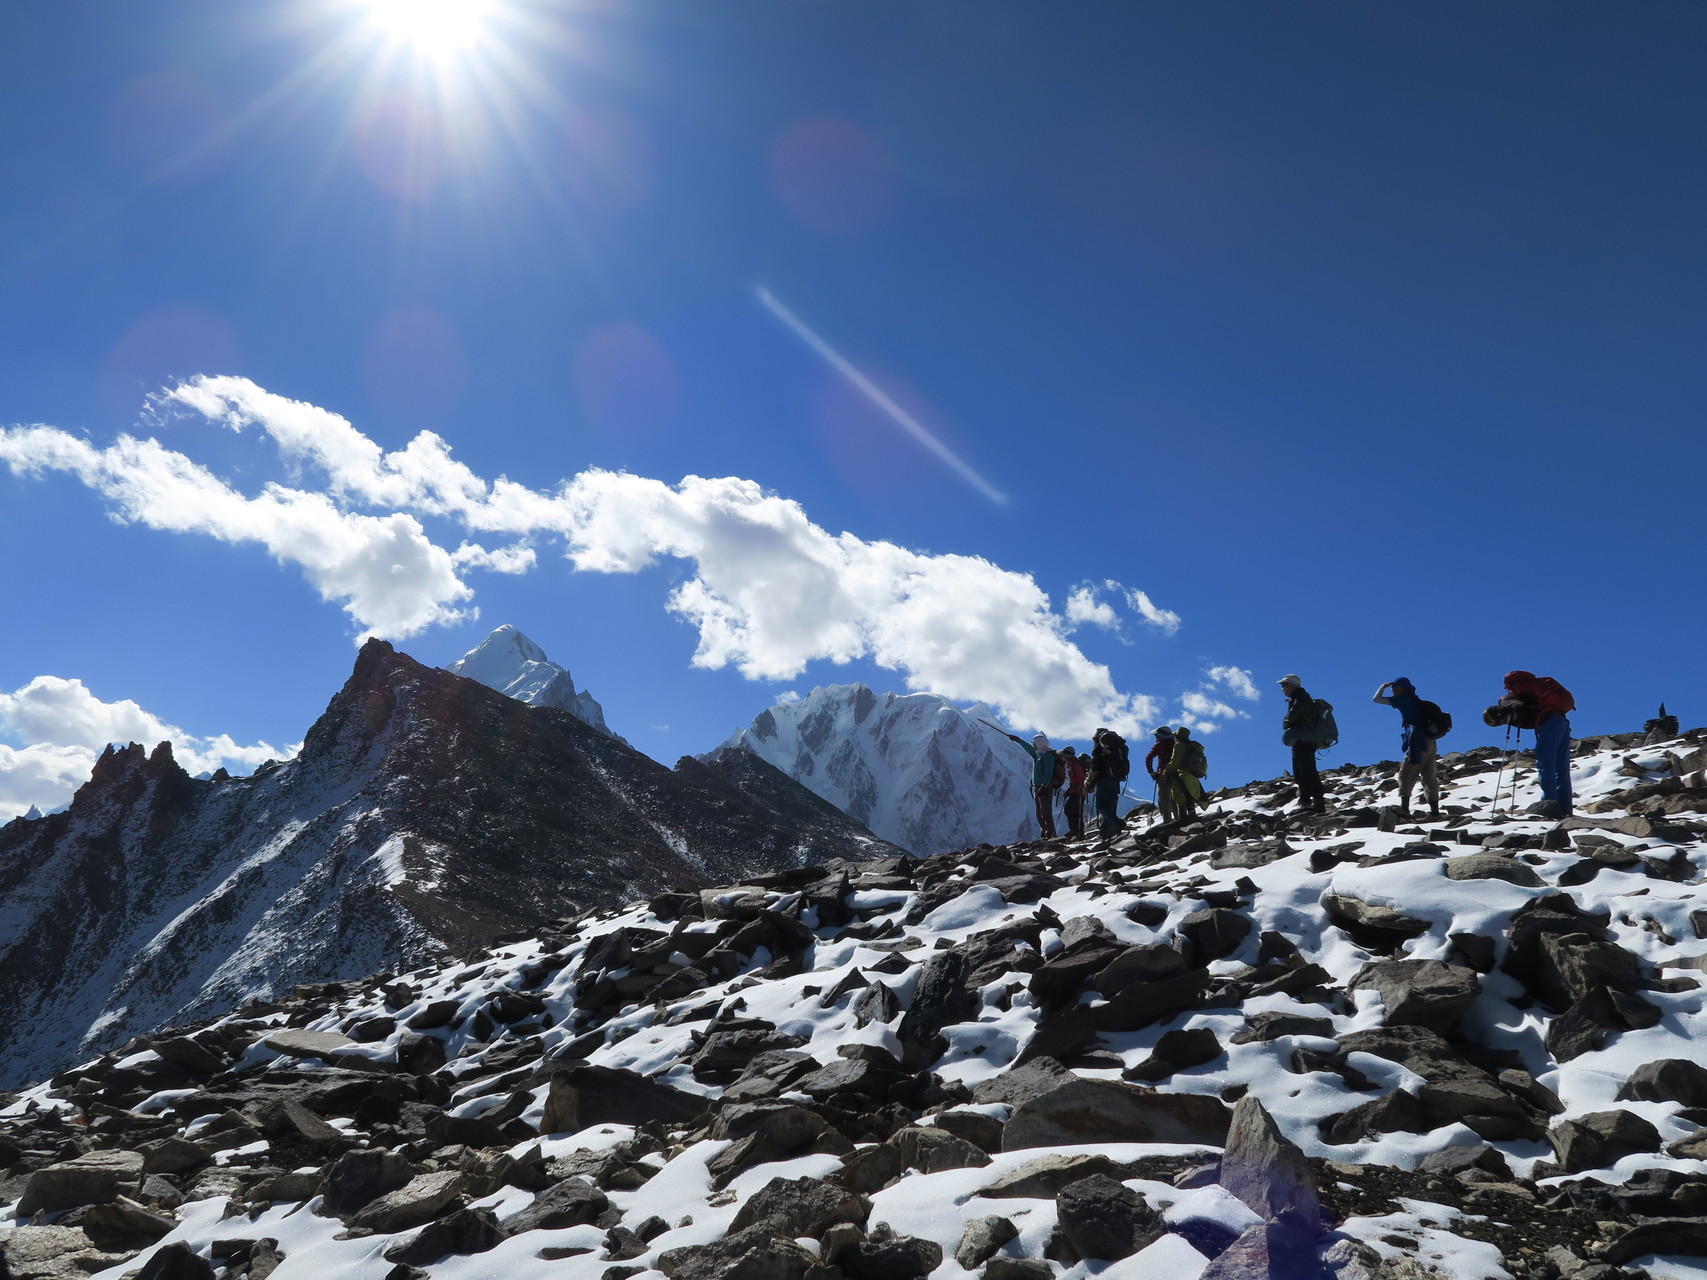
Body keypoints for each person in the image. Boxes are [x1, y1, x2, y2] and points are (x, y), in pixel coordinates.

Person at [1494, 670, 1576, 817]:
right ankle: (1565, 809)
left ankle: (1549, 805)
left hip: (1547, 724)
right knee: (1562, 768)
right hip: (1561, 721)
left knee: (1546, 764)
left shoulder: (1509, 699)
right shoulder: (1536, 688)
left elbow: (1521, 711)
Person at [1373, 677, 1440, 818]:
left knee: (1406, 774)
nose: (1393, 690)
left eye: (1395, 687)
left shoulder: (1403, 700)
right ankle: (1435, 811)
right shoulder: (1416, 700)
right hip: (1431, 741)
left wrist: (1383, 687)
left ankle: (1404, 809)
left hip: (1418, 741)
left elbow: (1376, 699)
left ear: (1401, 688)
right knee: (1429, 776)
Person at [1278, 674, 1328, 814]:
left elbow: (1290, 718)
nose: (1282, 688)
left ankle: (1316, 802)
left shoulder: (1301, 698)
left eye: (1284, 685)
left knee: (1306, 770)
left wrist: (1287, 722)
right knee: (1301, 771)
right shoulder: (1299, 698)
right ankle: (1306, 801)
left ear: (1293, 685)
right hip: (1304, 739)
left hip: (1304, 739)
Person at [1005, 731, 1062, 837]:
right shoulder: (1038, 754)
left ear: (1039, 744)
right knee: (1039, 812)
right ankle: (1045, 830)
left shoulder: (1048, 756)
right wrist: (1017, 740)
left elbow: (1048, 773)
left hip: (1045, 787)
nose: (1033, 745)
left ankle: (1051, 832)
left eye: (1034, 743)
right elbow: (1028, 747)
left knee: (1046, 811)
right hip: (1038, 787)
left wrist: (1043, 787)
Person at [1088, 727, 1129, 838]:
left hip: (1103, 780)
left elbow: (1094, 767)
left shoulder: (1099, 749)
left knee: (1100, 805)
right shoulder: (1117, 747)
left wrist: (1089, 781)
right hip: (1116, 779)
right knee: (1110, 806)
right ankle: (1105, 831)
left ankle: (1117, 823)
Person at [1163, 726, 1208, 820]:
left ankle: (1183, 819)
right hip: (1192, 775)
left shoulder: (1179, 745)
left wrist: (1165, 771)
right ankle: (1192, 816)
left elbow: (1174, 762)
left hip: (1181, 774)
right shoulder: (1192, 746)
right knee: (1189, 797)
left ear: (1177, 737)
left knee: (1180, 797)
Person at [1145, 727, 1178, 821]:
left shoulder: (1159, 745)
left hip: (1163, 774)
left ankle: (1167, 820)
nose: (1156, 738)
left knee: (1163, 799)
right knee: (1174, 798)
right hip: (1176, 773)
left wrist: (1152, 772)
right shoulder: (1176, 744)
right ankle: (1178, 818)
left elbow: (1148, 758)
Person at [1061, 746, 1088, 838]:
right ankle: (1078, 832)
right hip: (1077, 791)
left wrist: (1080, 787)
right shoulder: (1072, 764)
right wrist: (1069, 791)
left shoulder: (1075, 764)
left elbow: (1081, 778)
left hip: (1078, 792)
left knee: (1069, 809)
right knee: (1076, 812)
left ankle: (1075, 831)